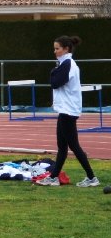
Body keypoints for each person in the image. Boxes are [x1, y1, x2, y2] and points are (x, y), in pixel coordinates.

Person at [35, 36, 99, 188]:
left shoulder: (68, 64)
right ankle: (54, 177)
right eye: (54, 48)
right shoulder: (64, 64)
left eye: (57, 48)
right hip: (65, 110)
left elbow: (55, 83)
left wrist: (52, 72)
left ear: (66, 49)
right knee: (62, 147)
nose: (54, 51)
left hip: (68, 110)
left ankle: (91, 177)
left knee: (74, 146)